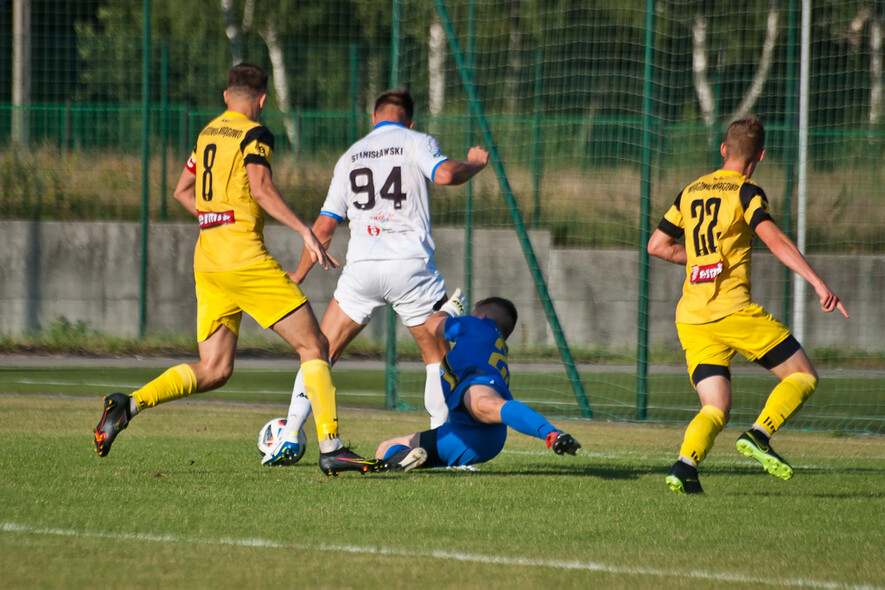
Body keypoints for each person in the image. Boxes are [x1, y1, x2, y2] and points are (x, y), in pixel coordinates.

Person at [92, 63, 383, 476]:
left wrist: (214, 218)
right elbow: (261, 188)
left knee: (215, 369)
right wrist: (304, 230)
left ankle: (128, 404)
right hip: (244, 260)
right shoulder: (256, 134)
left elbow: (181, 191)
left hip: (208, 261)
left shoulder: (208, 133)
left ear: (227, 96)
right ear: (262, 101)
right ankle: (331, 447)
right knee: (315, 345)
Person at [262, 88, 490, 465]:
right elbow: (446, 175)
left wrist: (299, 273)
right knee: (436, 356)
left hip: (362, 267)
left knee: (319, 351)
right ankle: (447, 449)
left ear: (373, 119)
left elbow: (323, 227)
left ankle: (289, 435)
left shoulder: (350, 156)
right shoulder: (417, 141)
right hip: (410, 266)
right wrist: (476, 165)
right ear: (410, 122)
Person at [647, 115, 849, 494]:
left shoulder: (690, 191)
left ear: (724, 149)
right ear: (760, 155)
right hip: (731, 310)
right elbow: (773, 239)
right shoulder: (747, 191)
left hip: (692, 317)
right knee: (802, 375)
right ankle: (760, 435)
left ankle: (685, 467)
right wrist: (818, 283)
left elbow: (656, 245)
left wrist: (698, 261)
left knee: (715, 406)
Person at [373, 295, 582, 471]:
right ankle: (406, 460)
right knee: (385, 449)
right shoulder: (494, 343)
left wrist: (450, 309)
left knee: (483, 402)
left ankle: (551, 434)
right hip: (470, 436)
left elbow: (432, 326)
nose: (469, 316)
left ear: (481, 316)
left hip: (475, 401)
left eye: (472, 313)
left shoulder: (480, 324)